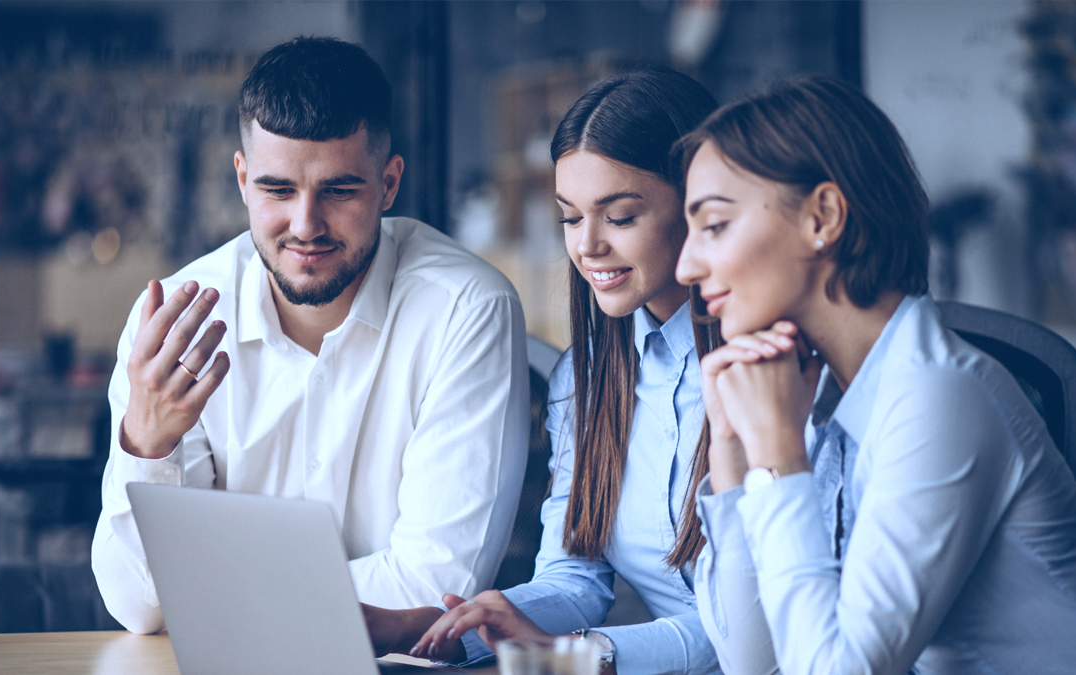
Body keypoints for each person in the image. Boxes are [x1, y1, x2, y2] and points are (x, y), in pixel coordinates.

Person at [676, 75, 1076, 674]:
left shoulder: (939, 394)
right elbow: (754, 662)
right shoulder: (815, 392)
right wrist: (733, 450)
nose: (686, 266)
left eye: (714, 225)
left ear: (823, 217)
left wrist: (778, 455)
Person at [91, 36, 529, 635]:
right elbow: (140, 606)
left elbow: (436, 589)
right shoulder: (170, 324)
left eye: (339, 190)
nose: (305, 226)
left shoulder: (465, 309)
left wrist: (210, 593)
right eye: (277, 190)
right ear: (242, 179)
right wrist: (147, 443)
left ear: (389, 184)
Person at [370, 68, 775, 675]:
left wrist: (587, 656)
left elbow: (759, 633)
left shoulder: (774, 373)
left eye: (620, 216)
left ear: (700, 207)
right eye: (570, 217)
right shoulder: (585, 381)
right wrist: (437, 628)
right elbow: (574, 577)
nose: (587, 246)